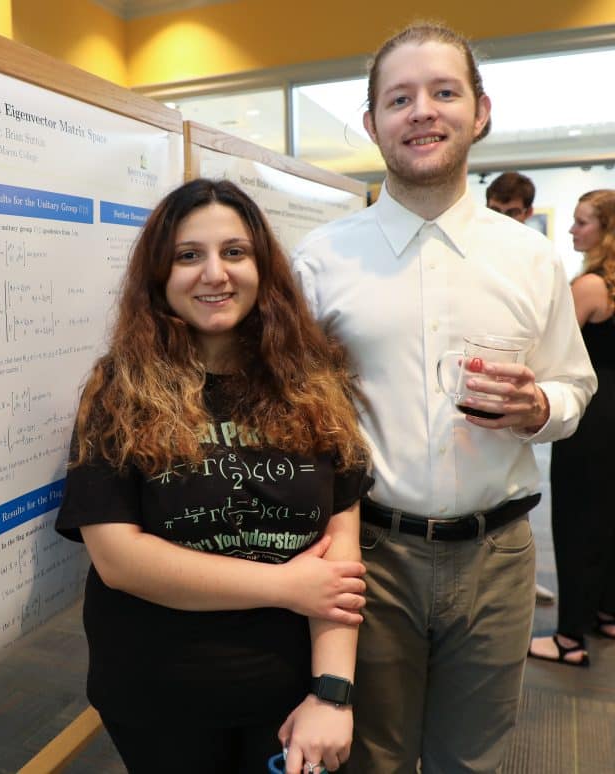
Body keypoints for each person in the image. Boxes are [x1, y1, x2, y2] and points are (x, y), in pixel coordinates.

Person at [292, 22, 597, 773]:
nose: (421, 110)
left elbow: (574, 383)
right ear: (372, 125)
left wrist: (541, 411)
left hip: (499, 558)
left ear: (480, 112)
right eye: (399, 98)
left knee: (476, 761)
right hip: (369, 554)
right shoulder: (322, 260)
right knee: (373, 758)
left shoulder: (530, 259)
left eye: (443, 92)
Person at [55, 178, 372, 774]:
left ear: (262, 266)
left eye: (234, 252)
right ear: (160, 276)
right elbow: (119, 561)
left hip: (289, 696)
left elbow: (341, 560)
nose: (214, 274)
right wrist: (283, 584)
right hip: (157, 693)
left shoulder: (317, 383)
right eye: (188, 255)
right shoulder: (119, 388)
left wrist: (333, 693)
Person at [528, 189, 615, 666]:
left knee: (579, 523)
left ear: (606, 229)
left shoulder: (590, 286)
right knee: (609, 521)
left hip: (594, 418)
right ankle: (606, 613)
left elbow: (555, 353)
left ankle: (568, 639)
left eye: (582, 222)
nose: (571, 230)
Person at [485, 170, 556, 605]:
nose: (504, 220)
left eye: (512, 213)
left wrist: (539, 403)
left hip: (515, 407)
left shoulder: (537, 260)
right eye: (496, 211)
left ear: (527, 213)